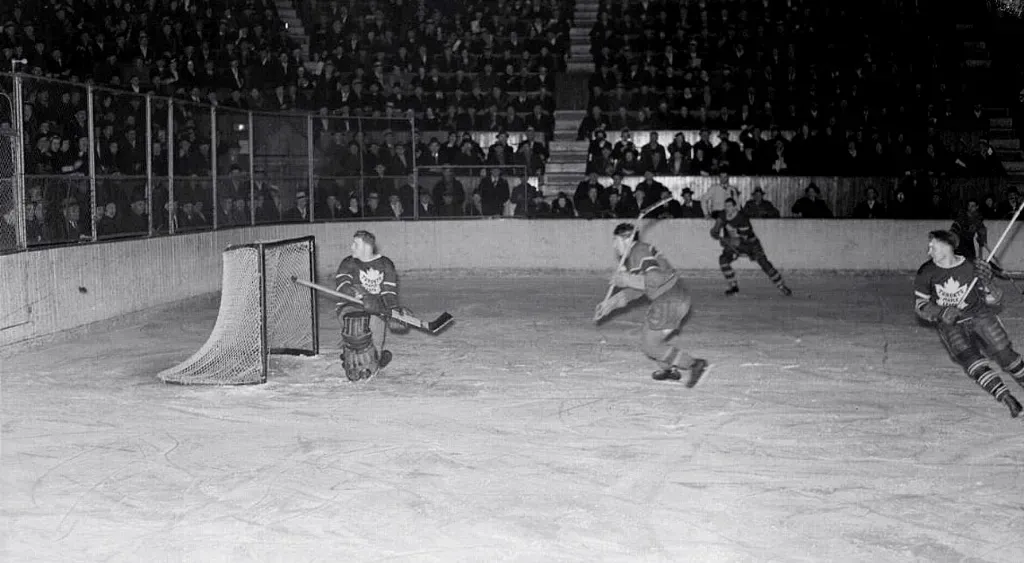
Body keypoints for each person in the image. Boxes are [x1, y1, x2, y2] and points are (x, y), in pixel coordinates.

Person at [914, 230, 1023, 418]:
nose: (929, 250)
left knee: (1005, 354)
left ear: (947, 247)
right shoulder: (926, 272)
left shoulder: (971, 266)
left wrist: (988, 283)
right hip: (951, 324)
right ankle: (1007, 398)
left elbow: (995, 300)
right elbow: (920, 305)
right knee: (974, 363)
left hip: (979, 316)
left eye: (933, 246)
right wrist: (941, 312)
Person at [593, 223, 709, 384]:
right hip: (673, 299)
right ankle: (669, 369)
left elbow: (654, 278)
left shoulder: (638, 251)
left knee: (650, 346)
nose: (614, 245)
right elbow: (638, 290)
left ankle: (694, 364)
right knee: (650, 341)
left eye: (615, 240)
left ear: (625, 239)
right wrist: (610, 304)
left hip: (669, 301)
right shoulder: (638, 252)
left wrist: (626, 279)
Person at [334, 230, 401, 381]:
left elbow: (389, 293)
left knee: (375, 333)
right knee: (356, 326)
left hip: (376, 308)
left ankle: (375, 359)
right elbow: (342, 285)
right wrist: (358, 294)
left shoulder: (385, 264)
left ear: (366, 247)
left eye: (356, 244)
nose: (351, 247)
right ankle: (349, 352)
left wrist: (392, 310)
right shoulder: (348, 263)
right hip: (349, 305)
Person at [711, 198, 792, 296]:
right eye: (725, 206)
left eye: (729, 206)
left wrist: (726, 241)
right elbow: (716, 227)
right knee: (723, 259)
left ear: (735, 207)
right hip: (733, 243)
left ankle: (781, 285)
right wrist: (714, 232)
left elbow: (742, 240)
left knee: (764, 263)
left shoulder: (742, 218)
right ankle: (733, 286)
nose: (727, 209)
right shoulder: (723, 214)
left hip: (750, 244)